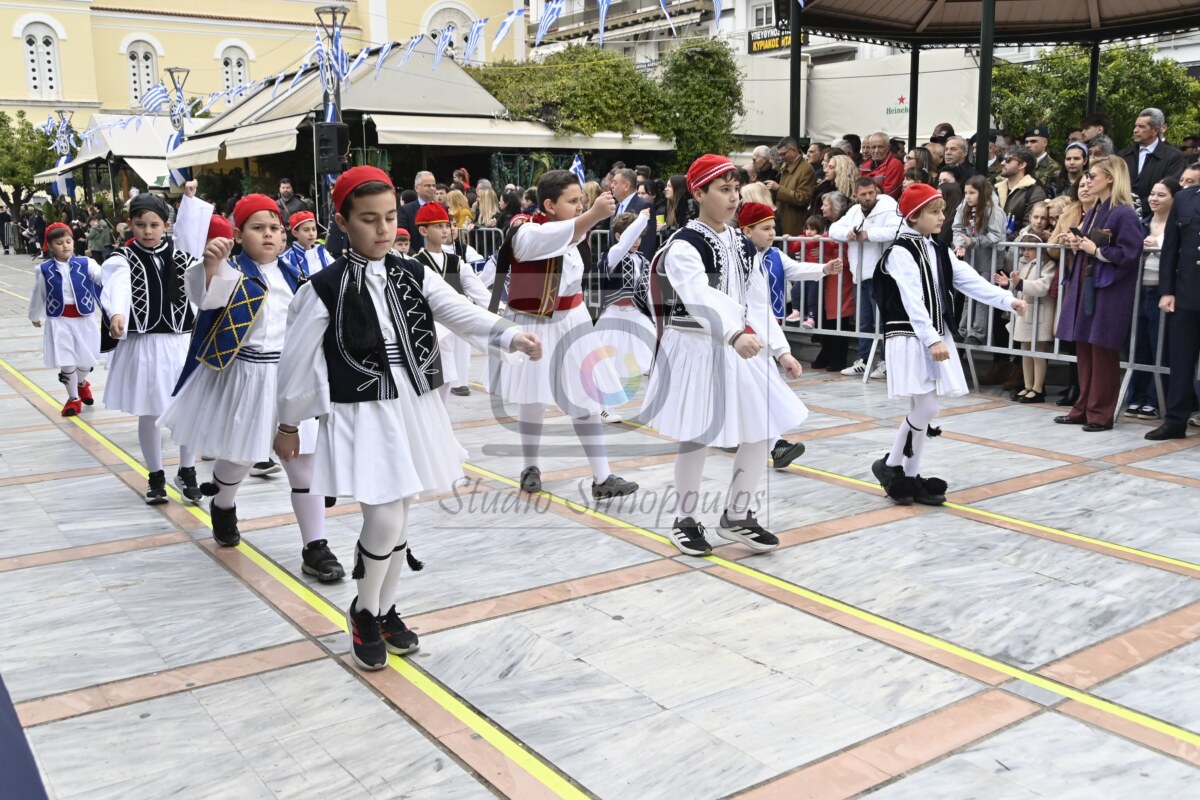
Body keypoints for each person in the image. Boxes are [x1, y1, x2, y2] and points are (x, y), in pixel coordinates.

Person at [274, 166, 542, 670]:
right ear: (342, 222)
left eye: (389, 218)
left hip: (413, 403)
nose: (381, 229)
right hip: (360, 408)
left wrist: (509, 334)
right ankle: (364, 610)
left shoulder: (414, 272)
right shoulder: (321, 288)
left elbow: (459, 310)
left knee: (400, 515)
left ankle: (383, 609)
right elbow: (294, 363)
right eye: (368, 219)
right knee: (383, 516)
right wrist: (288, 423)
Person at [642, 156, 808, 556]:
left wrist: (781, 350)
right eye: (724, 190)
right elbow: (696, 295)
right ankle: (685, 519)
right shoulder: (685, 244)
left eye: (736, 189)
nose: (734, 198)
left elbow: (756, 302)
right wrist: (733, 333)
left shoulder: (742, 243)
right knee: (697, 434)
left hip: (738, 345)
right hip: (698, 346)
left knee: (763, 426)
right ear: (699, 194)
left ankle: (738, 514)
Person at [487, 170, 640, 499]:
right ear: (548, 205)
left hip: (574, 320)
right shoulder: (526, 232)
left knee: (586, 397)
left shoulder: (572, 231)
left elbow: (570, 237)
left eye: (580, 200)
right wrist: (594, 214)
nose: (579, 206)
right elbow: (555, 236)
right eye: (572, 201)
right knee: (532, 397)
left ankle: (603, 477)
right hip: (535, 323)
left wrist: (594, 217)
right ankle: (530, 466)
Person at [871, 183, 1027, 505]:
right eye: (934, 211)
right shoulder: (901, 252)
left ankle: (909, 475)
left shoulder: (938, 250)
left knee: (922, 409)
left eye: (942, 210)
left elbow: (970, 281)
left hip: (931, 336)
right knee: (927, 408)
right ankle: (890, 465)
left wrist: (1007, 300)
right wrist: (931, 339)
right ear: (914, 216)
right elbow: (913, 300)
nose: (942, 216)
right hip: (910, 336)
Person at [100, 193, 200, 504]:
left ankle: (187, 470)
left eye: (154, 225)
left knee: (188, 409)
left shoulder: (184, 256)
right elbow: (116, 287)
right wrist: (117, 314)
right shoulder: (122, 258)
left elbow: (202, 289)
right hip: (144, 344)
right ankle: (155, 475)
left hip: (181, 343)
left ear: (166, 225)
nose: (147, 231)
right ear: (130, 224)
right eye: (140, 224)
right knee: (150, 411)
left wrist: (190, 199)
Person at [1054, 156, 1144, 432]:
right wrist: (1078, 244)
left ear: (1110, 178)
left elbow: (1130, 253)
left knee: (1103, 351)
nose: (1088, 180)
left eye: (1093, 175)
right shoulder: (1096, 209)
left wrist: (1097, 251)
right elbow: (1093, 245)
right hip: (1088, 285)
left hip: (1109, 290)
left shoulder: (1124, 213)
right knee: (1085, 348)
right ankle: (1083, 408)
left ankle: (1100, 414)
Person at [411, 202, 487, 401]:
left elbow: (477, 289)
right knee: (439, 378)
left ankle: (443, 415)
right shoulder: (414, 263)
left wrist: (499, 308)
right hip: (431, 326)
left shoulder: (456, 261)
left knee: (454, 375)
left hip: (457, 324)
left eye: (446, 225)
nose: (445, 230)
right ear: (423, 230)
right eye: (438, 226)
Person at [28, 223, 104, 417]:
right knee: (67, 360)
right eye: (59, 243)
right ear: (50, 246)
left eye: (68, 241)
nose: (65, 246)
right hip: (59, 320)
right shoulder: (43, 269)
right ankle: (73, 398)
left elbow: (101, 278)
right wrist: (35, 315)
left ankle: (81, 382)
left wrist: (115, 272)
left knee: (86, 360)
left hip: (84, 319)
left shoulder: (87, 263)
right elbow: (39, 293)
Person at [829, 177, 901, 378]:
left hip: (882, 274)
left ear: (876, 192)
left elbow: (897, 229)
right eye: (863, 194)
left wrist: (869, 235)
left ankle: (886, 362)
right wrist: (849, 233)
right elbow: (833, 229)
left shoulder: (889, 207)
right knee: (864, 321)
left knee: (883, 321)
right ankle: (864, 359)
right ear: (856, 196)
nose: (868, 197)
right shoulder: (853, 211)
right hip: (859, 274)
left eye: (871, 192)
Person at [1146, 176, 1199, 439]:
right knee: (1181, 361)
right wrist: (1167, 290)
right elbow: (1171, 247)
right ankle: (1176, 421)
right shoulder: (1186, 198)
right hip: (1187, 293)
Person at [1125, 179, 1179, 421]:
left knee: (1161, 347)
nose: (1154, 199)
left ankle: (1155, 399)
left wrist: (1160, 244)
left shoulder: (1178, 225)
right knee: (1139, 347)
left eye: (1161, 195)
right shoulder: (1142, 223)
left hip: (1163, 290)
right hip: (1139, 289)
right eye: (1152, 194)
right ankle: (1136, 397)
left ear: (1174, 198)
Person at [594, 209, 656, 387]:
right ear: (618, 236)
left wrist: (656, 319)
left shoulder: (644, 261)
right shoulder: (613, 255)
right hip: (612, 317)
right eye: (634, 236)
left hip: (636, 316)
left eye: (640, 236)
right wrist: (641, 219)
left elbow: (648, 294)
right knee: (606, 368)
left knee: (650, 362)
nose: (636, 241)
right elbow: (623, 245)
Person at [995, 231, 1056, 403]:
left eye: (1030, 248)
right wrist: (1008, 284)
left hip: (1040, 314)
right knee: (1025, 352)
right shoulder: (1024, 263)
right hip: (1026, 313)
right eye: (1024, 249)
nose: (1026, 252)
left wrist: (1020, 283)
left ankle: (1038, 388)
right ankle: (1028, 386)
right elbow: (1019, 286)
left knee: (1038, 352)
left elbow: (1043, 286)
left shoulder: (1047, 264)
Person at [952, 174, 1008, 345]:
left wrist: (974, 241)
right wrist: (960, 244)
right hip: (971, 258)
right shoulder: (964, 206)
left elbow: (996, 235)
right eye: (966, 193)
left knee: (983, 294)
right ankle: (963, 329)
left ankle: (977, 332)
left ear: (982, 193)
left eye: (972, 193)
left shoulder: (993, 209)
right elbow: (958, 228)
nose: (968, 197)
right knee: (968, 293)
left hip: (989, 259)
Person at [1121, 108, 1187, 213]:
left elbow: (1169, 188)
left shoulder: (1173, 156)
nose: (1135, 130)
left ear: (1155, 130)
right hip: (1122, 212)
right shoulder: (1123, 155)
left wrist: (1139, 208)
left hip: (1155, 215)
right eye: (1136, 126)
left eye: (1141, 126)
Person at [768, 136, 816, 237]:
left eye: (783, 154)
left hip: (794, 223)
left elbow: (803, 198)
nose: (781, 157)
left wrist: (778, 189)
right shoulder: (787, 165)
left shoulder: (806, 169)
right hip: (783, 220)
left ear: (793, 150)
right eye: (780, 154)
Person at [996, 147, 1047, 237]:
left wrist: (1003, 242)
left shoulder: (1035, 192)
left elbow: (1029, 226)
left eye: (1008, 160)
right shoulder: (996, 188)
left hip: (1016, 244)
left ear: (1022, 165)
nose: (1002, 163)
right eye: (1003, 159)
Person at [608, 167, 658, 261]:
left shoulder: (643, 206)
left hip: (635, 264)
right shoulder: (616, 206)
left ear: (626, 186)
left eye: (615, 183)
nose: (611, 186)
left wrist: (643, 266)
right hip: (616, 264)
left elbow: (648, 242)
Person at [397, 171, 437, 251]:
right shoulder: (406, 210)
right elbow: (403, 238)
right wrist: (415, 256)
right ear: (417, 188)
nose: (432, 188)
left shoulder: (442, 209)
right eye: (428, 185)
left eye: (434, 185)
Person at [860, 131, 905, 199]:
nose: (876, 151)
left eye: (880, 147)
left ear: (888, 147)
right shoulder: (864, 166)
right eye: (873, 147)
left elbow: (889, 193)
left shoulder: (896, 165)